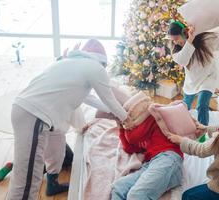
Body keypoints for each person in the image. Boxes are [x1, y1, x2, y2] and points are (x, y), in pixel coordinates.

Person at [7, 39, 132, 200]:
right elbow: (109, 98)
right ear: (101, 61)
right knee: (28, 178)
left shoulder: (72, 63)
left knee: (52, 151)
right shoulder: (94, 67)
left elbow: (89, 98)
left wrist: (113, 112)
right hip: (34, 115)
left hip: (28, 111)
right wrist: (126, 118)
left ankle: (53, 183)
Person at [168, 8, 219, 129]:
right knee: (184, 107)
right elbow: (183, 61)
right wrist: (190, 40)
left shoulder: (206, 40)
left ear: (184, 33)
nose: (175, 43)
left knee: (202, 105)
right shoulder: (175, 50)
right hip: (191, 82)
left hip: (208, 78)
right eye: (172, 40)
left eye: (176, 39)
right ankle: (182, 126)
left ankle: (203, 131)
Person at [111, 114, 183, 200]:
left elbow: (132, 137)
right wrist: (121, 128)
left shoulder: (152, 116)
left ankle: (173, 175)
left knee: (136, 195)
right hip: (151, 163)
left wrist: (127, 122)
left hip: (168, 157)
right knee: (118, 187)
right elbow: (129, 148)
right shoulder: (140, 138)